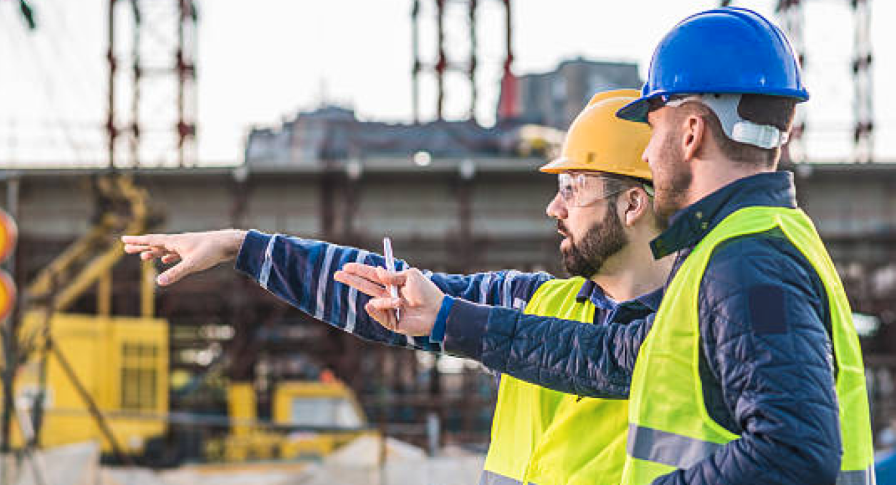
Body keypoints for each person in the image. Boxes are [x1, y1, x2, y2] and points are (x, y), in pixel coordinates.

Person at [342, 7, 875, 485]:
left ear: (690, 133)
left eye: (653, 129)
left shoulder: (748, 263)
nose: (645, 157)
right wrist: (446, 319)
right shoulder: (736, 247)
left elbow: (795, 451)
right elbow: (611, 356)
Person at [122, 90, 672, 485]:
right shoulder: (531, 301)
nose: (555, 207)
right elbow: (376, 292)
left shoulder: (691, 331)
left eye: (573, 189)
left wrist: (449, 320)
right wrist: (241, 246)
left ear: (632, 203)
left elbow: (606, 364)